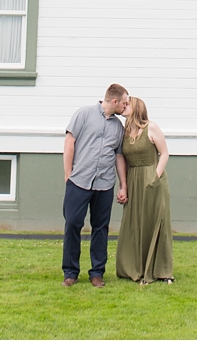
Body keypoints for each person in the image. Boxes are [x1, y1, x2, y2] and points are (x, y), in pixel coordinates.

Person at [61, 83, 129, 287]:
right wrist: (68, 174)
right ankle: (70, 272)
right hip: (79, 181)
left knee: (101, 228)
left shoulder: (118, 127)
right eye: (124, 103)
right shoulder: (83, 114)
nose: (126, 107)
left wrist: (122, 185)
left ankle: (97, 272)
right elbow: (69, 142)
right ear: (114, 101)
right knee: (73, 223)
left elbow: (119, 156)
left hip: (105, 184)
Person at [115, 95, 174, 284]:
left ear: (137, 107)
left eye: (127, 104)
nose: (124, 106)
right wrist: (123, 184)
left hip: (153, 179)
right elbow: (121, 158)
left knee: (156, 221)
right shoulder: (124, 132)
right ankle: (135, 267)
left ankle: (162, 271)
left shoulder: (151, 127)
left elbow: (164, 153)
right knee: (136, 223)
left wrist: (155, 176)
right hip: (134, 180)